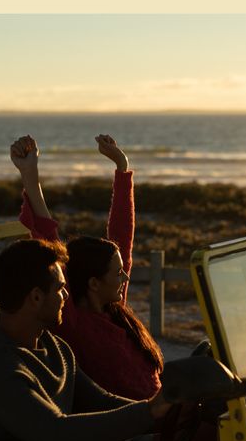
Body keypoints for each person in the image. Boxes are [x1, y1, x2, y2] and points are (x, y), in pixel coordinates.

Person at [0, 237, 171, 441]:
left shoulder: (55, 346)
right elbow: (57, 433)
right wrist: (150, 412)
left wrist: (167, 410)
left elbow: (103, 401)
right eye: (60, 289)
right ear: (36, 297)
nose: (67, 296)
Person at [10, 134, 163, 400]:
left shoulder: (115, 311)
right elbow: (47, 239)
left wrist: (122, 167)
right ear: (93, 283)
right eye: (117, 273)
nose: (125, 276)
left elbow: (122, 237)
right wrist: (29, 174)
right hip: (138, 429)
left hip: (166, 413)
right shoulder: (71, 321)